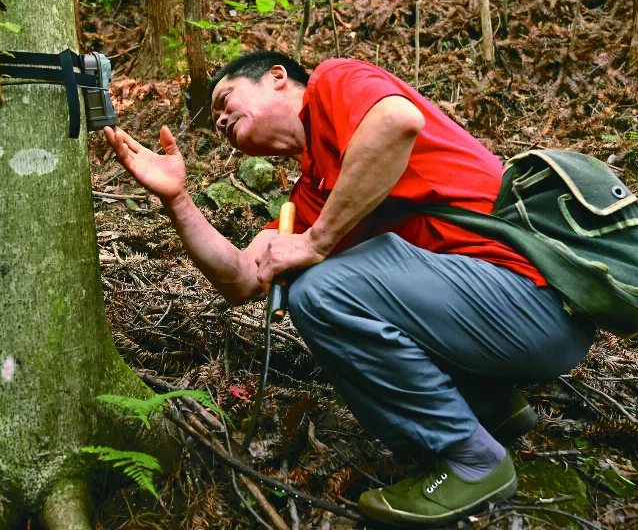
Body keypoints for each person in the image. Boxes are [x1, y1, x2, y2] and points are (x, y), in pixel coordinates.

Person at [103, 51, 594, 526]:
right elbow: (241, 279)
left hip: (534, 300)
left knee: (319, 290)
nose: (219, 121)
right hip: (503, 320)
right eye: (214, 121)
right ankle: (491, 409)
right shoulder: (315, 190)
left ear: (277, 77)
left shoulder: (334, 84)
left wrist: (317, 242)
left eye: (225, 100)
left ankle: (469, 460)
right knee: (325, 280)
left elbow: (397, 122)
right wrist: (178, 199)